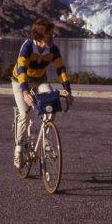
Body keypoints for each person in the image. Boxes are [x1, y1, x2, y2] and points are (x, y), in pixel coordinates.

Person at [12, 18, 73, 168]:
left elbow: (61, 69)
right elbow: (21, 70)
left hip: (40, 81)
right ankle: (19, 149)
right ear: (39, 37)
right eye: (49, 34)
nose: (52, 37)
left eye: (53, 34)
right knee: (25, 114)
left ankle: (45, 137)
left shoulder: (53, 49)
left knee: (52, 101)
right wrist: (25, 92)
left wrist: (68, 90)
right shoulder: (27, 47)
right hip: (21, 82)